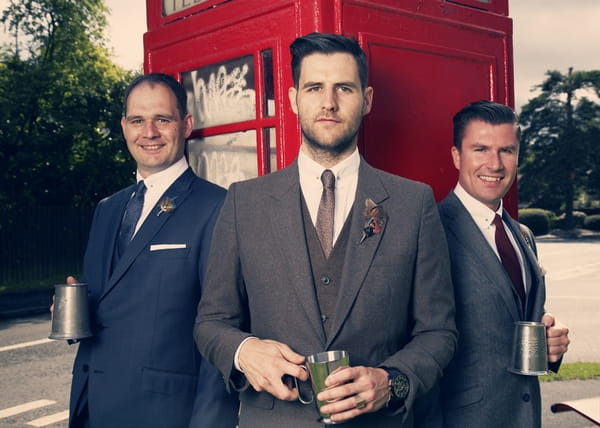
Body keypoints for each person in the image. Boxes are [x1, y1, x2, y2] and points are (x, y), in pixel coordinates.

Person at [194, 32, 457, 427]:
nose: (329, 103)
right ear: (292, 99)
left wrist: (393, 380)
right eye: (314, 87)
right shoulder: (243, 202)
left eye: (344, 88)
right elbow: (210, 322)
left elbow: (439, 332)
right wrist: (243, 350)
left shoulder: (412, 204)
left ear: (366, 100)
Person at [65, 73, 239, 428]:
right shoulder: (107, 209)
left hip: (166, 415)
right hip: (93, 406)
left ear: (186, 124)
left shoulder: (218, 206)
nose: (149, 132)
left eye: (162, 119)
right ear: (124, 127)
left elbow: (222, 328)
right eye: (137, 121)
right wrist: (72, 309)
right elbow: (108, 299)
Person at [438, 100, 570, 428]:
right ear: (457, 156)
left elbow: (517, 321)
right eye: (480, 149)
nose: (494, 164)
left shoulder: (522, 235)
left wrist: (550, 346)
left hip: (524, 417)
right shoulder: (431, 230)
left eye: (506, 151)